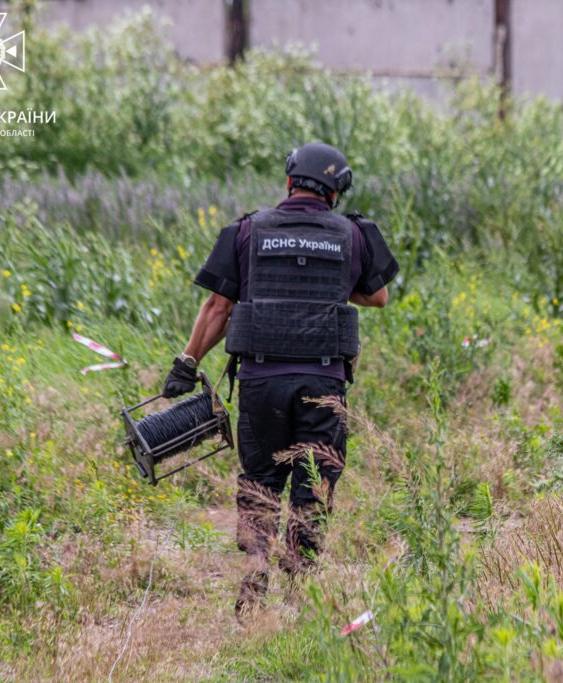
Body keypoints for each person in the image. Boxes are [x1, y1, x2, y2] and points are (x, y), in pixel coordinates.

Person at [161, 142, 399, 613]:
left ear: (290, 182)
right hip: (322, 385)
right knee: (314, 479)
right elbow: (379, 298)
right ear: (335, 193)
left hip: (261, 382)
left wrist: (187, 363)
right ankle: (300, 586)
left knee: (261, 477)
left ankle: (256, 563)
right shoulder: (353, 235)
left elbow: (218, 307)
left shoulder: (248, 231)